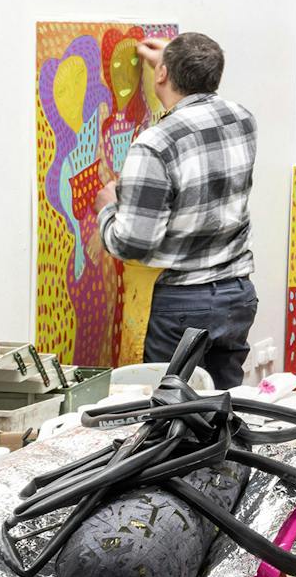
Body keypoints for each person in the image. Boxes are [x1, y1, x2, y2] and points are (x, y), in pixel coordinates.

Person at [95, 32, 260, 389]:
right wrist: (172, 65)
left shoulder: (155, 144)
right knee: (222, 406)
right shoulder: (241, 119)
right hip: (236, 295)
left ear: (162, 74)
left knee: (172, 412)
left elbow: (133, 243)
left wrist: (108, 210)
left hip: (182, 305)